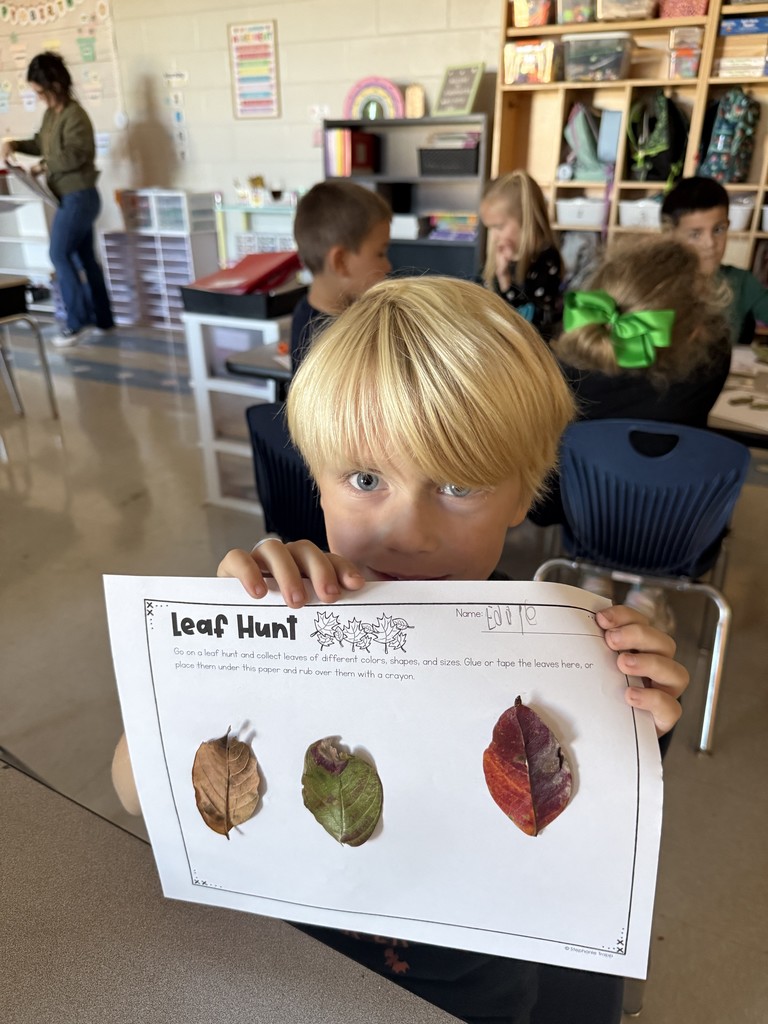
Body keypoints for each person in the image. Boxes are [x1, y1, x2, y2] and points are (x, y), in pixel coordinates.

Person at [208, 277, 688, 1024]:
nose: (410, 532)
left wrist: (639, 720)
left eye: (460, 483)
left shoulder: (562, 654)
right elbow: (132, 788)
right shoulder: (287, 615)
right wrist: (213, 660)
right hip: (283, 972)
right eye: (365, 479)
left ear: (526, 492)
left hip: (470, 993)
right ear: (318, 480)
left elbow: (584, 837)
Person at [530, 237, 731, 627]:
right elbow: (716, 336)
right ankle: (648, 592)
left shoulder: (564, 370)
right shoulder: (712, 361)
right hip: (679, 534)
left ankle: (596, 577)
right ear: (692, 333)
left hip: (585, 523)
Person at [1, 51, 114, 348]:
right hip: (69, 197)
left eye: (40, 91)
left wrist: (43, 165)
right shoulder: (53, 114)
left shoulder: (75, 115)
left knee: (59, 254)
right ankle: (103, 319)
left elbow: (76, 154)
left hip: (80, 197)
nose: (38, 97)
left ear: (55, 84)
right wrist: (14, 144)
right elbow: (41, 142)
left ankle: (76, 323)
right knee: (85, 258)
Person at [289, 180, 391, 372]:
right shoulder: (331, 341)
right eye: (380, 253)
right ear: (341, 262)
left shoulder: (313, 310)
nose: (387, 266)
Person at [662, 175, 768, 346]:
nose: (710, 243)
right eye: (695, 234)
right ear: (670, 235)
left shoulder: (742, 282)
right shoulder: (651, 283)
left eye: (718, 229)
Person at [479, 170, 562, 342]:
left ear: (526, 221)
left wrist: (504, 279)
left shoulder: (547, 259)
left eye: (499, 227)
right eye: (490, 228)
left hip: (532, 344)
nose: (493, 236)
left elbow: (526, 317)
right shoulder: (503, 251)